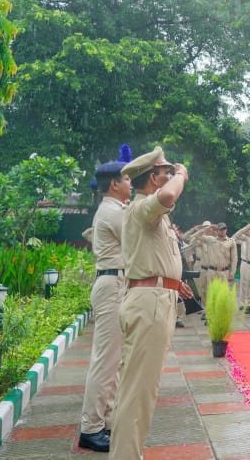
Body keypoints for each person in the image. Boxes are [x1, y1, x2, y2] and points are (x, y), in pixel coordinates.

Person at [110, 147, 193, 459]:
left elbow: (155, 259)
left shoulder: (150, 212)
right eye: (165, 172)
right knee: (138, 393)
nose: (170, 176)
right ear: (153, 178)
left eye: (172, 171)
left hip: (157, 297)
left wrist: (175, 282)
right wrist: (183, 174)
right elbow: (169, 197)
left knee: (141, 390)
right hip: (149, 304)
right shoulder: (144, 206)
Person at [78, 148, 131, 453]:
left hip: (116, 282)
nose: (130, 184)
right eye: (126, 179)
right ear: (114, 184)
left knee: (115, 360)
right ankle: (91, 428)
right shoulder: (112, 211)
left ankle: (105, 421)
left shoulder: (114, 208)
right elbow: (137, 240)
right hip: (112, 284)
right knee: (106, 361)